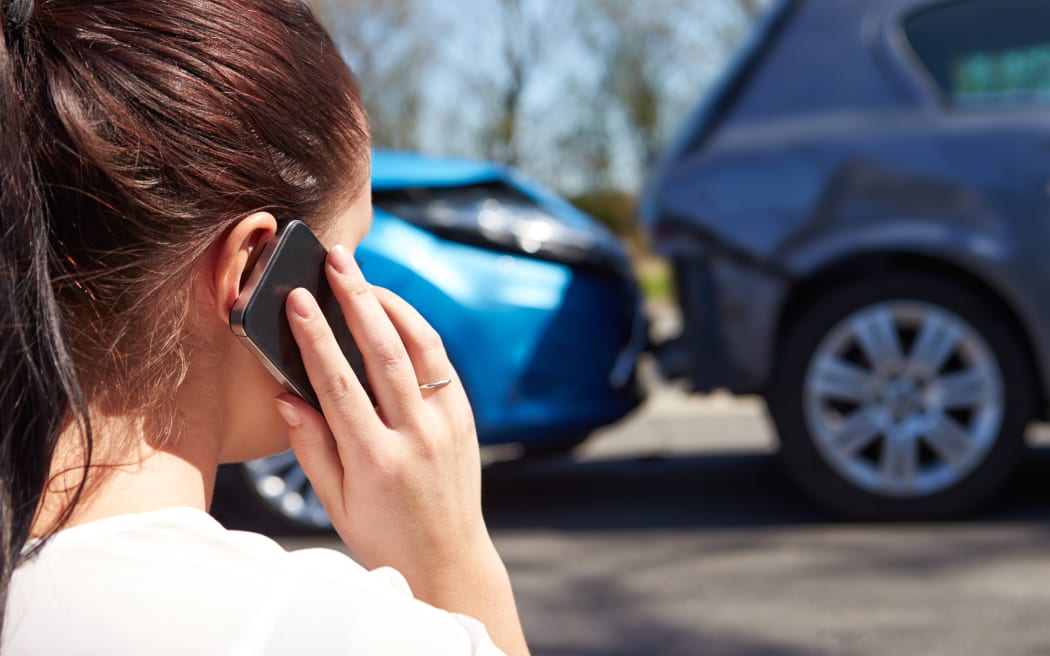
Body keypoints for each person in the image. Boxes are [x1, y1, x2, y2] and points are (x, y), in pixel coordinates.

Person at [0, 0, 530, 654]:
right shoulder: (335, 630)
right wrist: (453, 562)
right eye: (350, 257)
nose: (360, 295)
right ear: (255, 266)